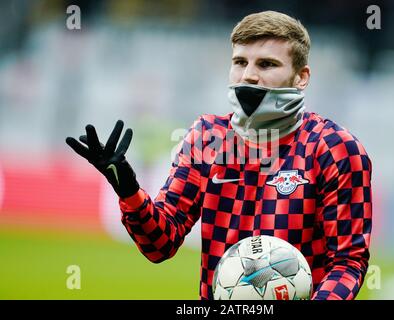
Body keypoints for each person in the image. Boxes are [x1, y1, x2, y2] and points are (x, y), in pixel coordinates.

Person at [66, 11, 372, 300]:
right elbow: (160, 244)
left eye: (266, 64)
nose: (248, 75)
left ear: (301, 77)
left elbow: (348, 263)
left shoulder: (334, 147)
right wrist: (129, 191)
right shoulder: (207, 137)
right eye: (240, 62)